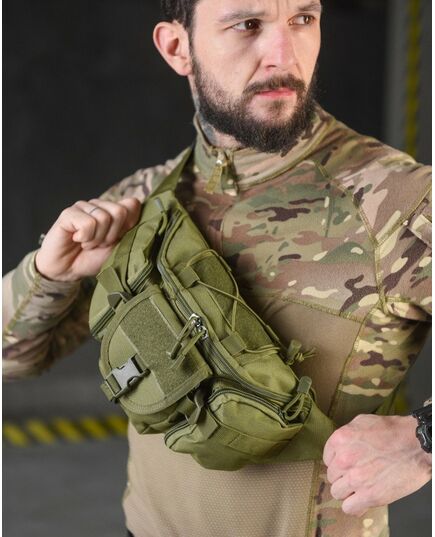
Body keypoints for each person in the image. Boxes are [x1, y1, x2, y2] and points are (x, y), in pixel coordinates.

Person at [3, 1, 432, 536]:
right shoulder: (143, 201)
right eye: (248, 25)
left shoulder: (400, 201)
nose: (284, 54)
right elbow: (12, 360)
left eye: (303, 19)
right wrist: (49, 274)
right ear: (177, 48)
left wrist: (422, 440)